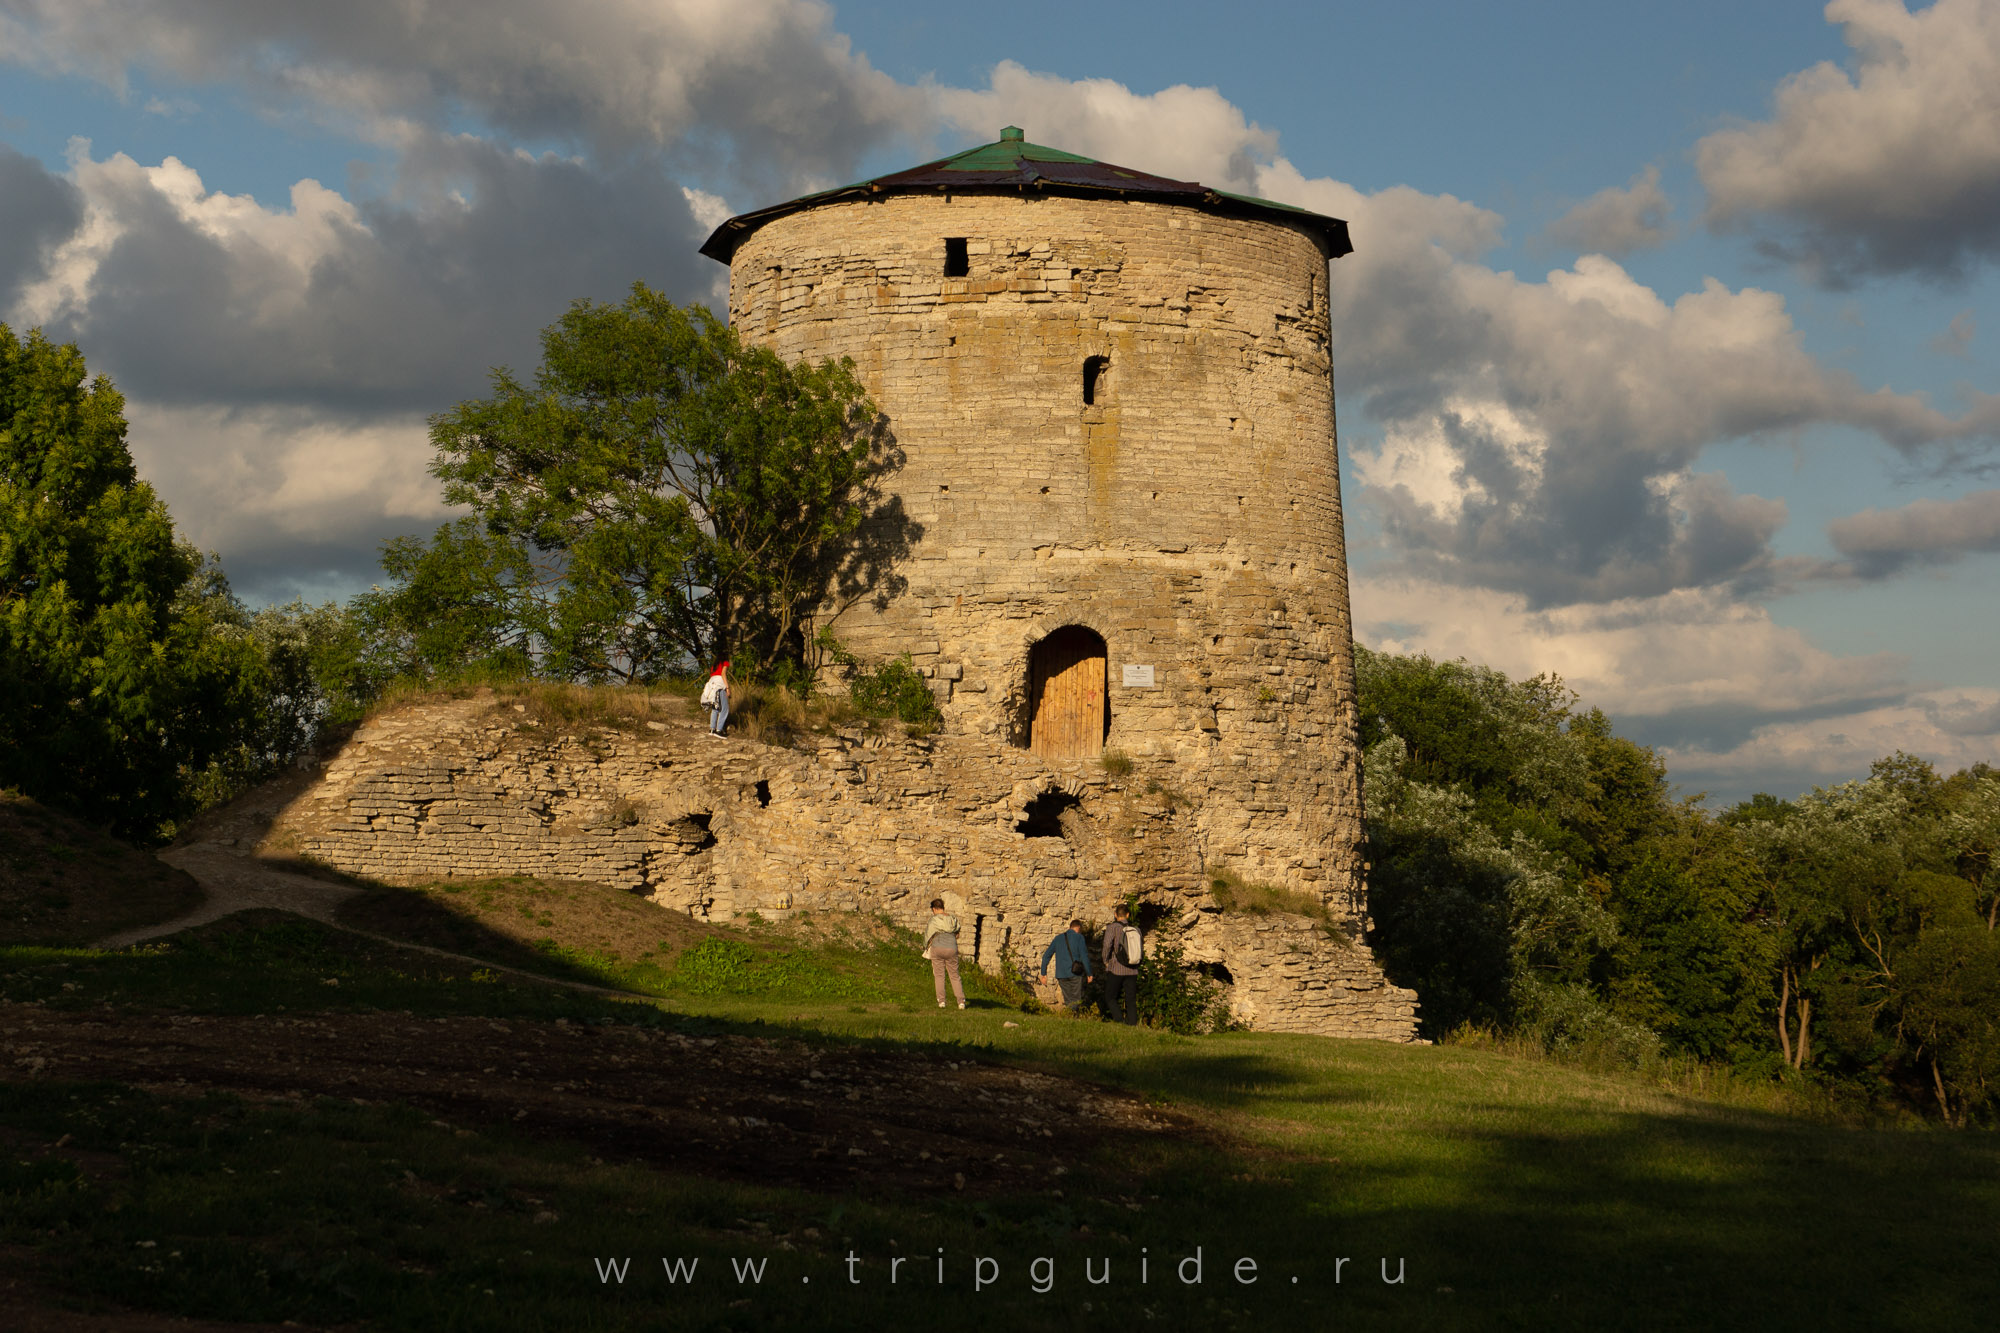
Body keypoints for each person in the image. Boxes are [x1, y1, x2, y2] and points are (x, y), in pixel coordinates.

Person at [1039, 919, 1095, 1012]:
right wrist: (1089, 973)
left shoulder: (1058, 938)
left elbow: (1046, 956)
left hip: (1061, 974)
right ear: (1079, 928)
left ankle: (1070, 1017)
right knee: (1076, 999)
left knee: (1068, 999)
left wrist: (1043, 973)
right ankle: (1074, 1019)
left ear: (1070, 927)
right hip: (1075, 973)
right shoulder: (1079, 938)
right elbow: (1084, 957)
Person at [922, 897, 966, 1010]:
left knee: (939, 975)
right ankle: (961, 1002)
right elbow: (957, 934)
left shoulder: (934, 919)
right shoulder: (953, 919)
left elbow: (928, 935)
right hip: (952, 948)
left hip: (938, 947)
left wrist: (925, 946)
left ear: (935, 909)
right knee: (955, 975)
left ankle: (941, 1002)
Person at [1100, 904, 1140, 1025]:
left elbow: (1107, 945)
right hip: (1133, 969)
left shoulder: (1112, 928)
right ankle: (1132, 1024)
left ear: (1116, 915)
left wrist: (1105, 961)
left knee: (1110, 996)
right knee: (1131, 1000)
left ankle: (1119, 1020)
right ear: (1128, 915)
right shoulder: (1136, 929)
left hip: (1117, 968)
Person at [699, 660, 730, 738]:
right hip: (719, 687)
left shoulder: (714, 665)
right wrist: (727, 688)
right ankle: (719, 730)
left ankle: (712, 729)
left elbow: (712, 675)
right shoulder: (725, 662)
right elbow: (723, 674)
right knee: (724, 709)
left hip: (712, 686)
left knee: (715, 708)